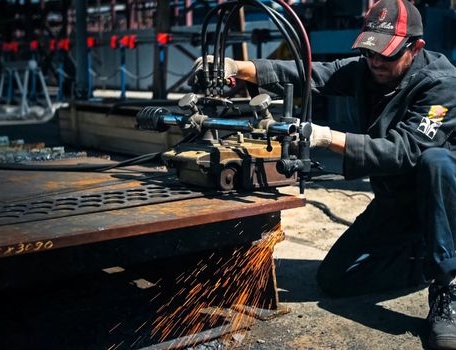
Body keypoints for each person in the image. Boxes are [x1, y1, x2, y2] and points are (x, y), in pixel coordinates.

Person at [189, 0, 456, 348]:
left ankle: (447, 286)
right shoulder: (367, 69)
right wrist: (239, 67)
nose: (375, 62)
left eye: (386, 55)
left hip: (441, 203)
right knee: (334, 280)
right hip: (396, 203)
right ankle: (422, 262)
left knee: (436, 160)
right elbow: (309, 73)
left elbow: (402, 150)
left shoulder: (442, 85)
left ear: (415, 47)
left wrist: (327, 137)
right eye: (370, 53)